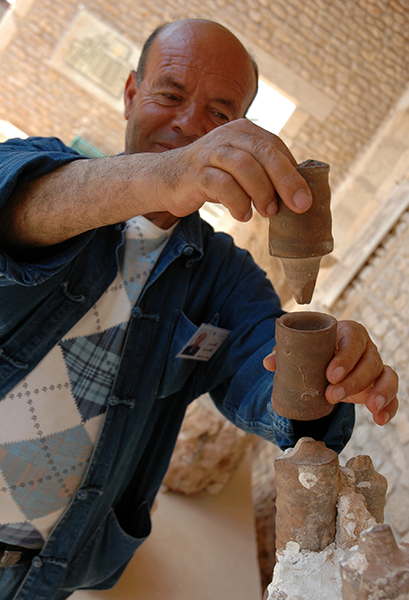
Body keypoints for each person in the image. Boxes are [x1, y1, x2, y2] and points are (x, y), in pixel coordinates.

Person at [0, 18, 398, 600]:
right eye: (169, 95)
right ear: (133, 93)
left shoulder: (224, 279)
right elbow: (19, 207)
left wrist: (325, 368)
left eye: (218, 112)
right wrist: (165, 178)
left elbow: (265, 386)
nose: (189, 124)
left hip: (36, 576)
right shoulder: (44, 170)